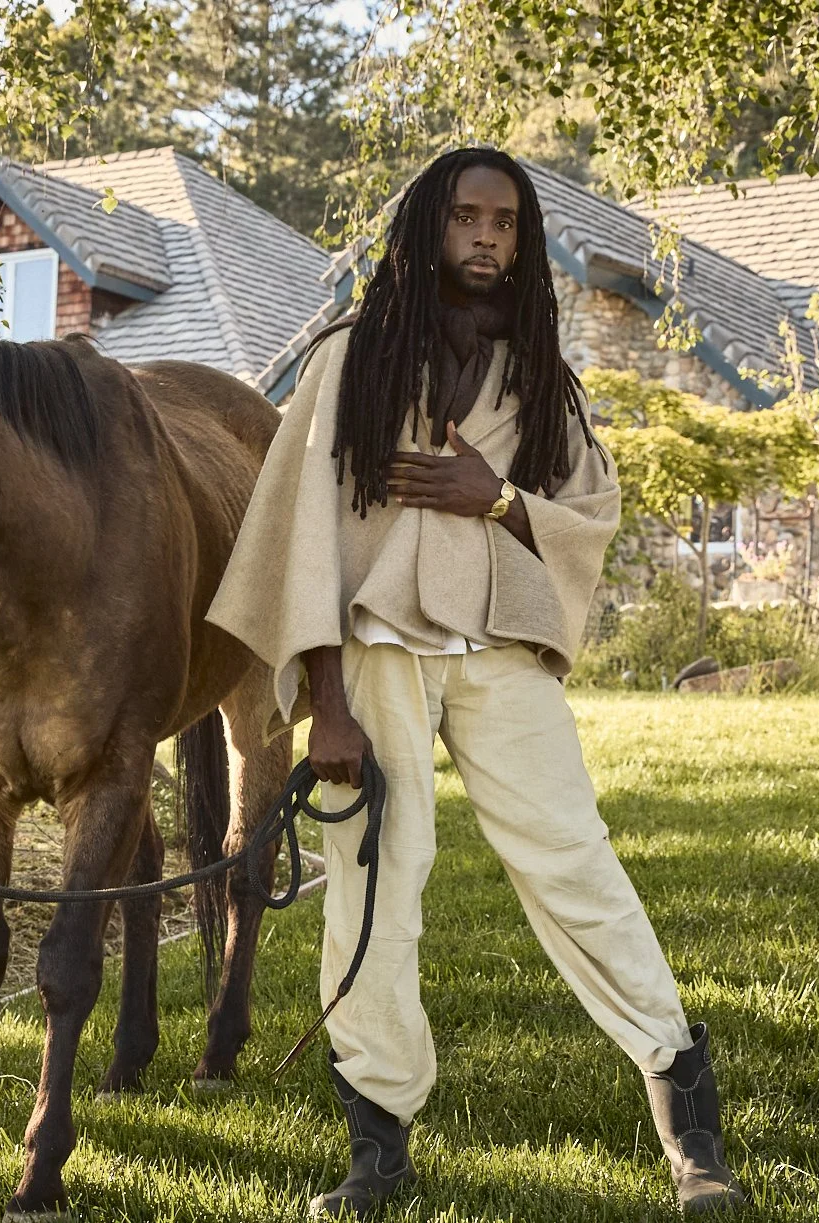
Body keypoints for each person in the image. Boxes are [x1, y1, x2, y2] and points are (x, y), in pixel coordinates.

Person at [206, 147, 750, 1218]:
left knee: (574, 863)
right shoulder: (348, 362)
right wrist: (325, 701)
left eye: (504, 222)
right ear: (427, 230)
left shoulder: (541, 376)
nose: (487, 237)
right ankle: (377, 1149)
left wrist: (494, 498)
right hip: (375, 659)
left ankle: (689, 1128)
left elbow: (587, 516)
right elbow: (303, 539)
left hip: (499, 651)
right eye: (465, 217)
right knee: (371, 886)